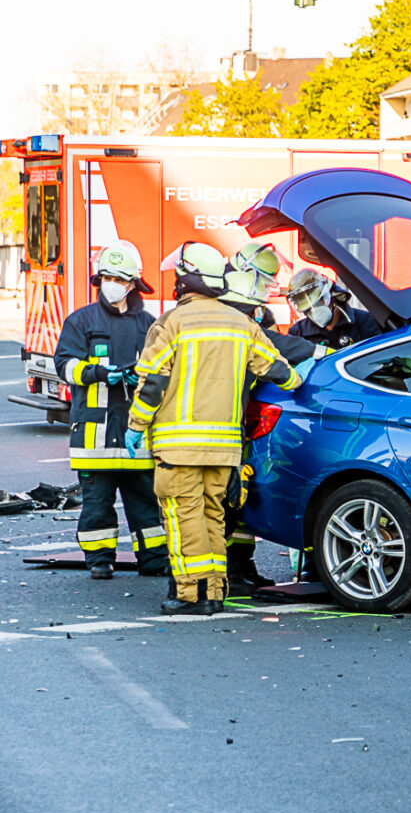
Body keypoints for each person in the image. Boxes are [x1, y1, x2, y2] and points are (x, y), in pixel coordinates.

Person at [126, 242, 299, 614]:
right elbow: (282, 373)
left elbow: (152, 384)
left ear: (186, 280)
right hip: (224, 448)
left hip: (178, 447)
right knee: (213, 515)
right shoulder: (243, 324)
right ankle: (216, 592)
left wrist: (136, 424)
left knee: (182, 516)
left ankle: (192, 595)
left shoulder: (171, 323)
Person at [51, 240, 168, 580]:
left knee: (146, 505)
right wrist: (96, 373)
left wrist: (138, 375)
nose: (110, 284)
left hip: (136, 434)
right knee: (97, 506)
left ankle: (154, 561)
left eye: (118, 278)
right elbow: (64, 365)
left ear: (133, 283)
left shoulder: (150, 325)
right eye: (105, 277)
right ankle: (99, 560)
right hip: (94, 436)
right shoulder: (81, 321)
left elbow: (163, 370)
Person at [218, 241, 302, 594]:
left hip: (234, 424)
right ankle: (216, 575)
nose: (267, 290)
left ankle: (236, 567)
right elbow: (270, 348)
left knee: (237, 501)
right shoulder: (231, 311)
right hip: (218, 426)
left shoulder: (241, 309)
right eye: (264, 282)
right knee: (219, 503)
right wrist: (318, 354)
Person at [287, 268, 379, 353]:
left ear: (332, 296)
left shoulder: (365, 322)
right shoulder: (298, 332)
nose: (314, 312)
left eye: (318, 303)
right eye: (307, 309)